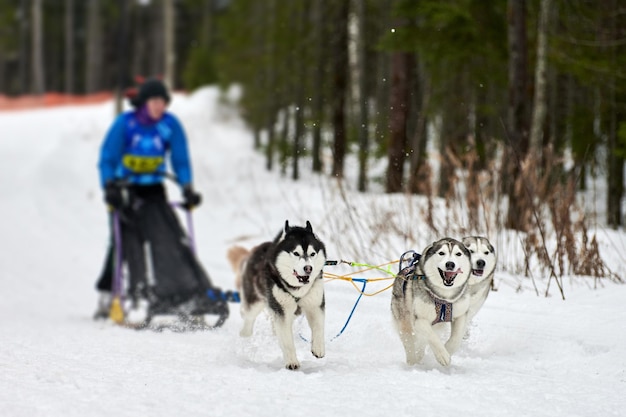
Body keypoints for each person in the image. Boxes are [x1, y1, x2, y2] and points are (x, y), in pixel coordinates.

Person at [93, 78, 223, 323]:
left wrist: (187, 188)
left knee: (168, 239)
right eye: (154, 101)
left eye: (163, 102)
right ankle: (115, 293)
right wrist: (108, 185)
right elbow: (107, 158)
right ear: (143, 102)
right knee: (124, 243)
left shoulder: (169, 125)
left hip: (154, 190)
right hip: (124, 191)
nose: (158, 107)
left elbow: (181, 160)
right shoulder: (126, 124)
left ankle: (183, 295)